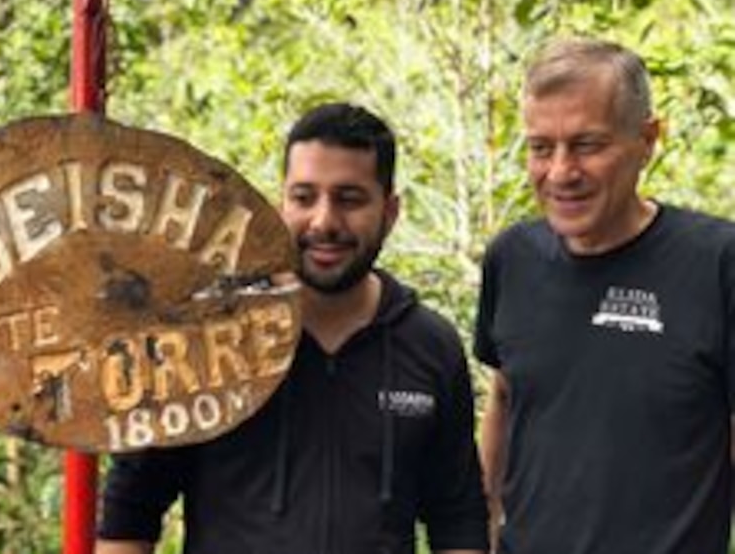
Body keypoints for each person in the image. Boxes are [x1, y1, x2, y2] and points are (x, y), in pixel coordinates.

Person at [96, 102, 490, 554]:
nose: (323, 221)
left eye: (349, 198)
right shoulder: (206, 333)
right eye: (304, 198)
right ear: (280, 204)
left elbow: (456, 518)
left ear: (390, 211)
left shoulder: (430, 346)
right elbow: (130, 510)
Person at [475, 37, 735, 554]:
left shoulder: (717, 262)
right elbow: (505, 397)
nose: (561, 172)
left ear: (648, 140)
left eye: (588, 145)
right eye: (540, 147)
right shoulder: (512, 258)